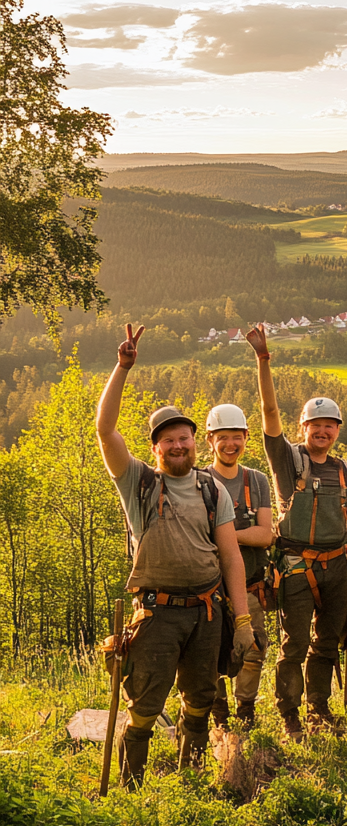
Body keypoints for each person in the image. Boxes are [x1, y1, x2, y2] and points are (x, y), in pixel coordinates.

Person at [96, 324, 254, 785]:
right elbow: (105, 429)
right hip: (157, 614)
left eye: (184, 437)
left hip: (207, 613)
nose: (178, 445)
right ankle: (131, 785)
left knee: (200, 700)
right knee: (144, 705)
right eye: (168, 440)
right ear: (155, 447)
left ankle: (189, 782)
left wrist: (241, 623)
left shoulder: (211, 489)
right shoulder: (139, 482)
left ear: (194, 440)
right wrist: (122, 369)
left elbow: (230, 559)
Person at [246, 324, 347, 742]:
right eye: (315, 424)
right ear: (302, 428)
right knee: (294, 646)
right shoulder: (288, 462)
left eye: (330, 426)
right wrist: (264, 361)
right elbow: (269, 415)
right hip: (295, 568)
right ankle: (290, 714)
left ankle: (318, 710)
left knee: (327, 643)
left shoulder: (346, 469)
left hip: (337, 568)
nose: (323, 431)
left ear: (338, 430)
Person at [205, 404, 274, 730]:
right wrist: (244, 536)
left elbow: (266, 534)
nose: (230, 444)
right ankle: (218, 714)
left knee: (253, 649)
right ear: (210, 440)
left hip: (250, 585)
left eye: (236, 437)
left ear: (246, 437)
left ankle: (246, 711)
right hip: (210, 590)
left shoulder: (256, 480)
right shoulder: (200, 480)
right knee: (211, 653)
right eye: (222, 437)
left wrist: (225, 533)